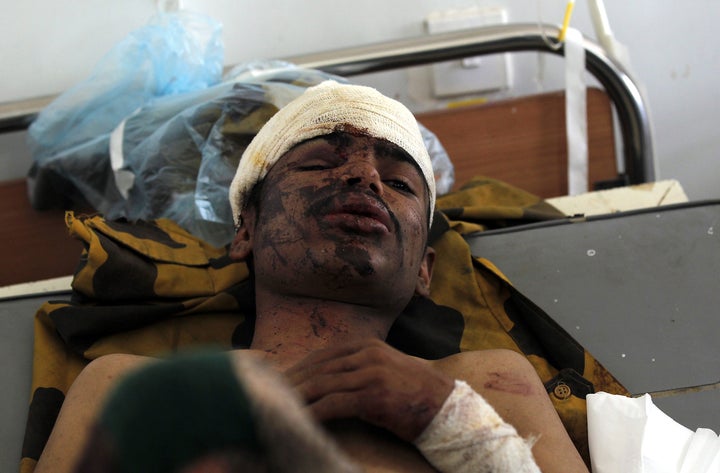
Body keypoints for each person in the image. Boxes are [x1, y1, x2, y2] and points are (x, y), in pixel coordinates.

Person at [35, 81, 589, 473]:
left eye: (399, 183)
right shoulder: (127, 388)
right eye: (319, 164)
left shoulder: (486, 384)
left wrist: (448, 421)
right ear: (244, 232)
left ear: (424, 267)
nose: (364, 176)